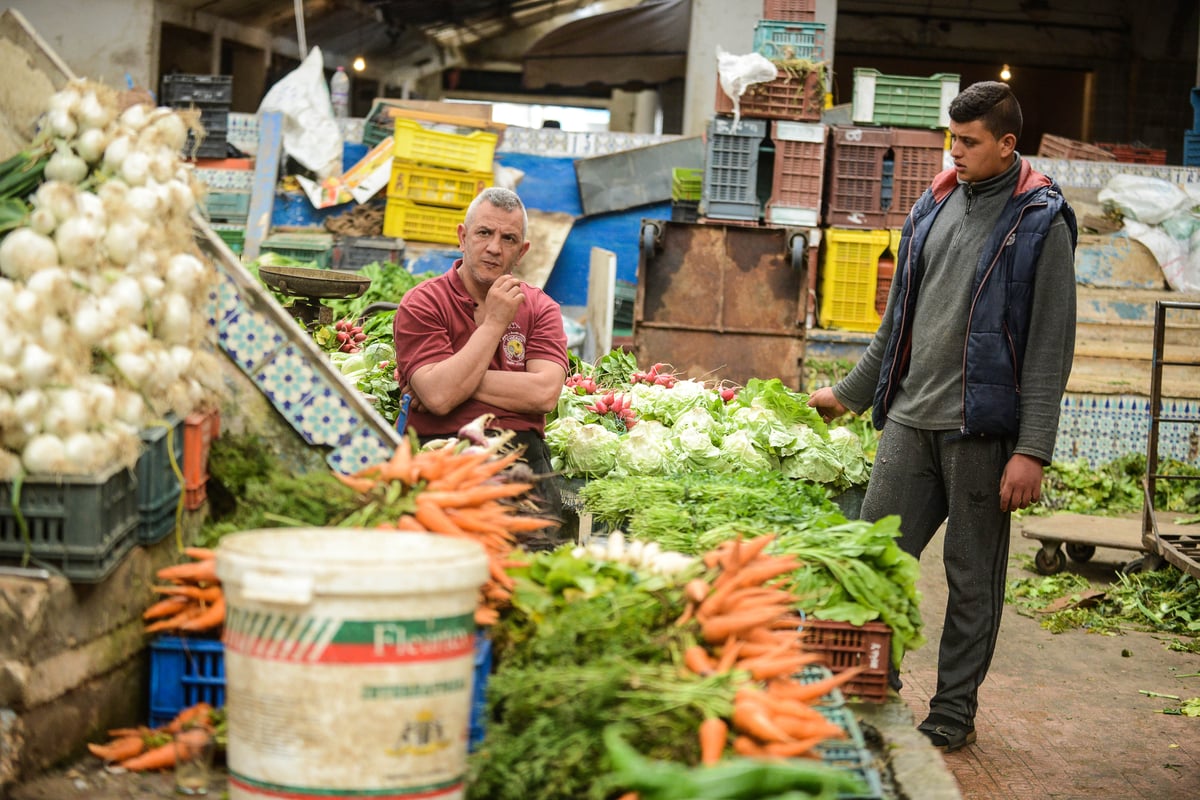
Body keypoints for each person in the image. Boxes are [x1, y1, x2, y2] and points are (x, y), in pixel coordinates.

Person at [807, 81, 1078, 752]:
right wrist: (849, 394)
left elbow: (1050, 346)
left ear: (1007, 144)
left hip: (982, 434)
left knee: (971, 578)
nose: (954, 154)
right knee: (873, 559)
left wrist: (1033, 450)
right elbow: (896, 321)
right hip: (908, 418)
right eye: (949, 140)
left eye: (969, 142)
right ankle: (874, 688)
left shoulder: (1040, 221)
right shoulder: (933, 204)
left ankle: (953, 711)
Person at [392, 187, 568, 526]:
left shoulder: (541, 308)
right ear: (462, 236)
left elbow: (545, 393)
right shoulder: (423, 303)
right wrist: (496, 322)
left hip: (521, 461)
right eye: (484, 233)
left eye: (508, 239)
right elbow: (440, 399)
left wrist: (449, 379)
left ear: (522, 252)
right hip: (438, 456)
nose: (493, 248)